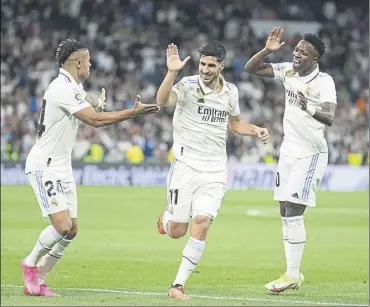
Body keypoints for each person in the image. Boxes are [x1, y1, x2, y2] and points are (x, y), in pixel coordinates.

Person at [21, 39, 160, 296]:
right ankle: (29, 265)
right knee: (61, 226)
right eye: (88, 61)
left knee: (71, 230)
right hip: (45, 166)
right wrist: (132, 113)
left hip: (62, 167)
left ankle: (39, 278)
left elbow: (85, 99)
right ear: (78, 63)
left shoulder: (70, 85)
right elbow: (94, 121)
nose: (91, 64)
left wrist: (94, 100)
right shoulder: (62, 88)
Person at [156, 41, 270, 300]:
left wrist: (255, 130)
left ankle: (178, 285)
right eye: (202, 64)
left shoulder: (231, 92)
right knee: (176, 231)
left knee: (202, 222)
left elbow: (236, 124)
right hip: (185, 166)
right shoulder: (186, 86)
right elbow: (162, 101)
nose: (206, 70)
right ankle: (166, 219)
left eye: (211, 65)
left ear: (221, 66)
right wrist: (172, 71)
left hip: (215, 170)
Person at [244, 27, 337, 293]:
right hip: (288, 151)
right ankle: (291, 272)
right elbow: (251, 69)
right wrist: (267, 50)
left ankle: (292, 275)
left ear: (314, 59)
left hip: (310, 153)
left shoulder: (324, 82)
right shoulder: (287, 70)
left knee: (294, 211)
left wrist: (307, 105)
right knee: (285, 211)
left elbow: (329, 117)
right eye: (296, 50)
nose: (296, 54)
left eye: (303, 52)